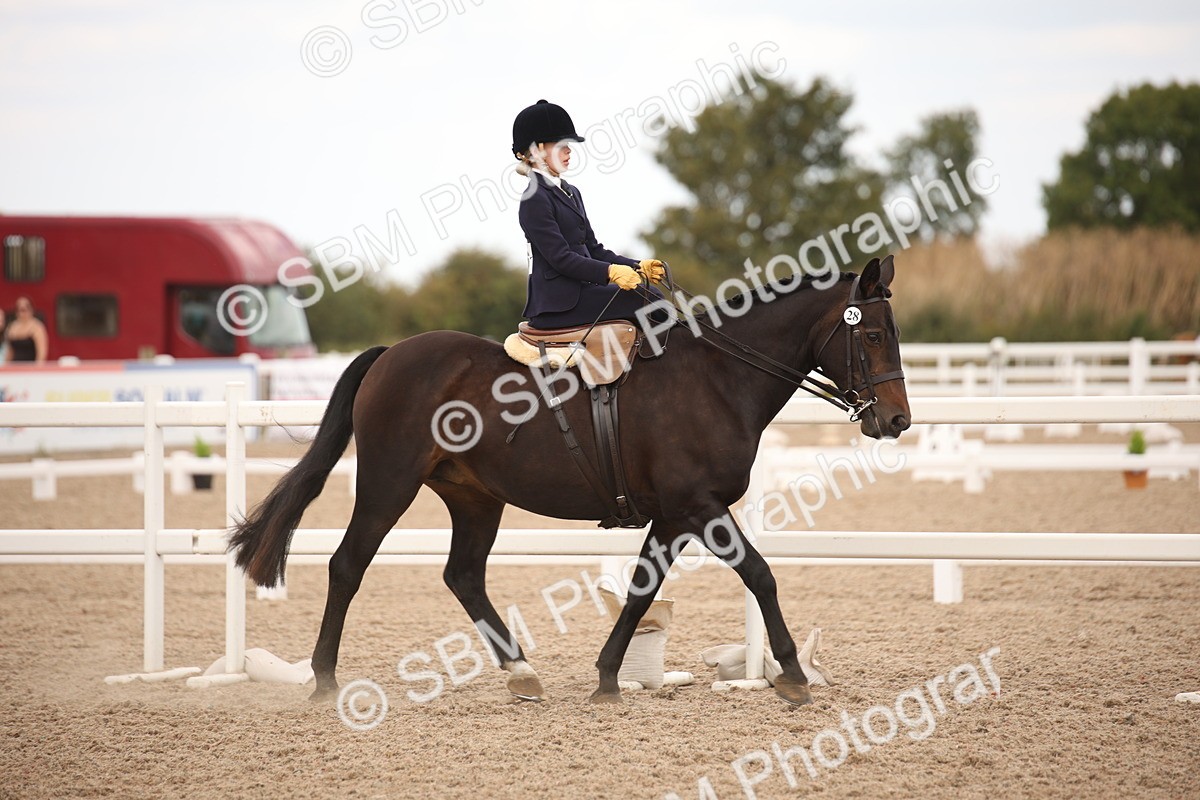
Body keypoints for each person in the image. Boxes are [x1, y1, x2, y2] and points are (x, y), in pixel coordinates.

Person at [513, 100, 666, 330]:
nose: (569, 150)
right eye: (561, 145)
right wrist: (610, 272)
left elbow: (593, 249)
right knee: (647, 299)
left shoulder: (571, 192)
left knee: (649, 294)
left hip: (585, 292)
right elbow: (560, 258)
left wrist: (636, 266)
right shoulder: (534, 199)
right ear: (538, 150)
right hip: (559, 303)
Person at [5, 296, 48, 363]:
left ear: (31, 309)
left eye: (24, 309)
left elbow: (41, 353)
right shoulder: (12, 327)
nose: (22, 313)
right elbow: (10, 352)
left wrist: (37, 369)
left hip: (30, 367)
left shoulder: (37, 327)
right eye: (19, 309)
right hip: (14, 367)